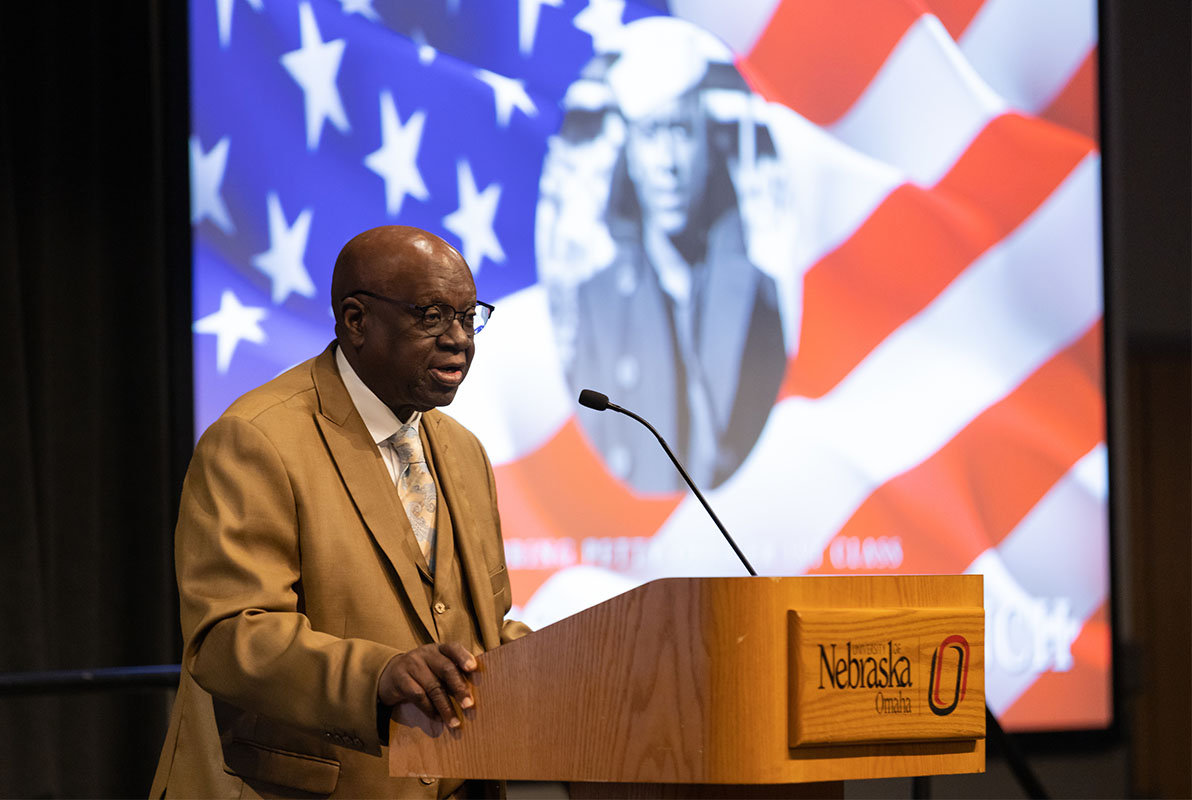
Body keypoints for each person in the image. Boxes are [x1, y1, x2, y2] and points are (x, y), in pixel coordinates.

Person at [150, 226, 529, 798]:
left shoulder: (464, 450)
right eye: (431, 316)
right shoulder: (256, 439)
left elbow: (466, 626)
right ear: (356, 321)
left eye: (468, 316)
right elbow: (230, 636)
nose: (460, 340)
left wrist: (571, 661)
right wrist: (376, 676)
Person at [555, 17, 787, 493]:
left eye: (681, 131)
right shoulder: (595, 300)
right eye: (649, 134)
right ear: (631, 157)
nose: (668, 162)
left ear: (708, 144)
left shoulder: (756, 290)